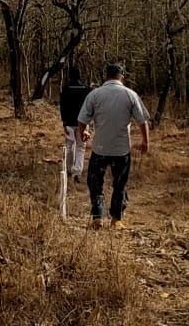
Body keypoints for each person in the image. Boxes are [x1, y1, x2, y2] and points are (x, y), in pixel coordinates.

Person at [77, 62, 150, 229]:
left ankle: (97, 216)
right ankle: (116, 219)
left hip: (100, 148)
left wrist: (83, 133)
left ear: (106, 75)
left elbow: (82, 120)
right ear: (121, 76)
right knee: (119, 184)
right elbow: (142, 121)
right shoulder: (130, 95)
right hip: (121, 149)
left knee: (95, 182)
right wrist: (146, 141)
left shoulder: (95, 95)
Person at [59, 64, 91, 183]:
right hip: (83, 122)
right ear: (79, 76)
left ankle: (68, 169)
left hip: (69, 122)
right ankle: (77, 171)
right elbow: (89, 107)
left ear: (69, 76)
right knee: (81, 147)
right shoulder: (86, 89)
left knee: (69, 146)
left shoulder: (65, 89)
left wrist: (64, 123)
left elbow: (62, 107)